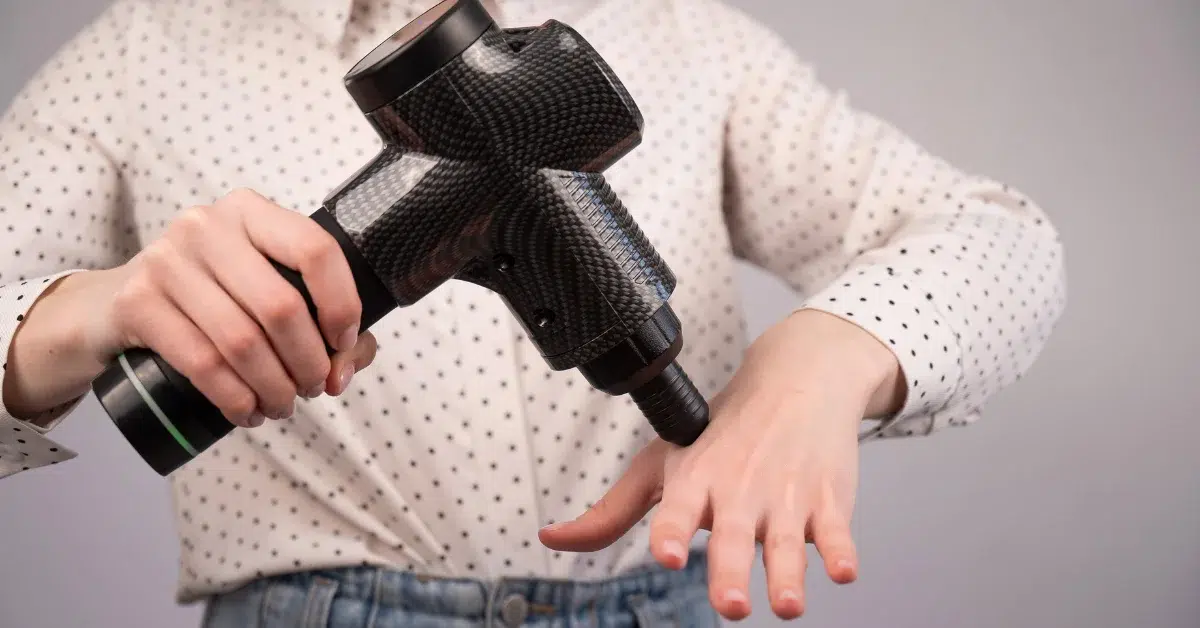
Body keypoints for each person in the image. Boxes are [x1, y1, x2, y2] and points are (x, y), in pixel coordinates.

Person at [0, 0, 1066, 625]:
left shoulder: (677, 35)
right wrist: (77, 315)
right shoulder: (139, 57)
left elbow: (999, 236)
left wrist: (826, 360)